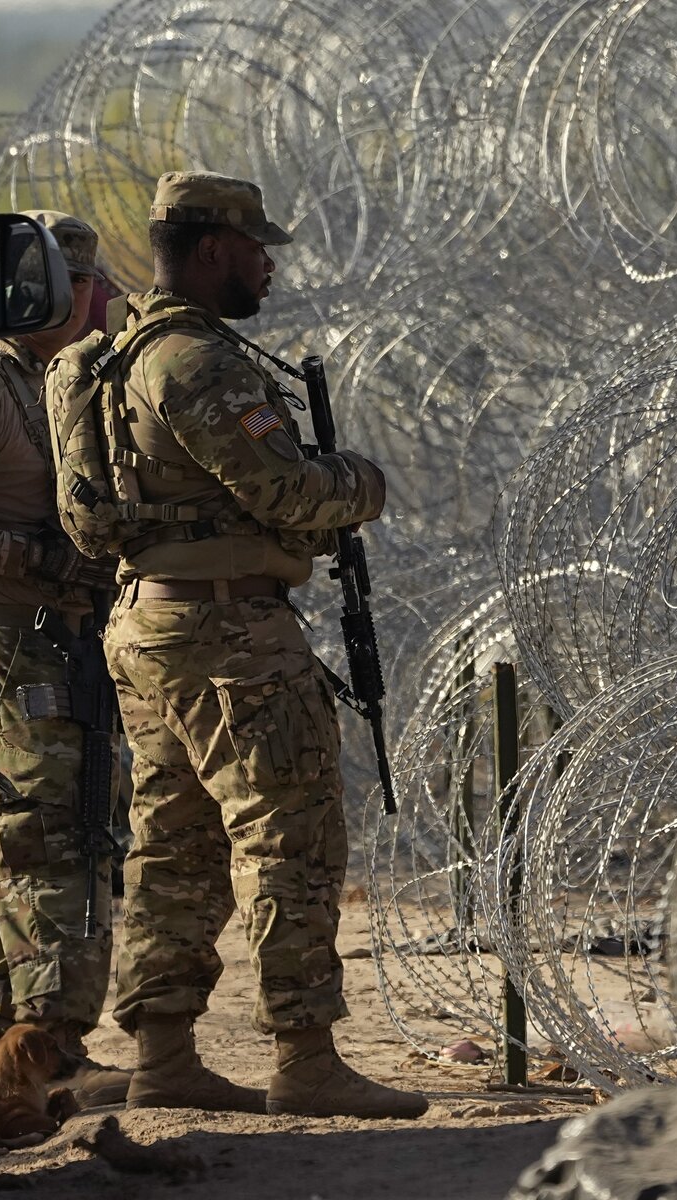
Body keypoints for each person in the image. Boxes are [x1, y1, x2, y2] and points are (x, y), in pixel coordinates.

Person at [99, 170, 428, 1119]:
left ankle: (163, 1058)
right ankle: (307, 1059)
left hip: (151, 624)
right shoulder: (197, 364)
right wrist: (359, 482)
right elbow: (284, 492)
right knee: (291, 836)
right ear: (211, 252)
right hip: (228, 635)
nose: (269, 265)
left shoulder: (120, 355)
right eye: (256, 247)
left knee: (175, 842)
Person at [0, 210, 129, 1103]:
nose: (99, 302)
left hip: (62, 641)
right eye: (85, 285)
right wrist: (43, 558)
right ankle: (47, 1050)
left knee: (56, 841)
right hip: (8, 641)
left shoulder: (64, 386)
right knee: (44, 846)